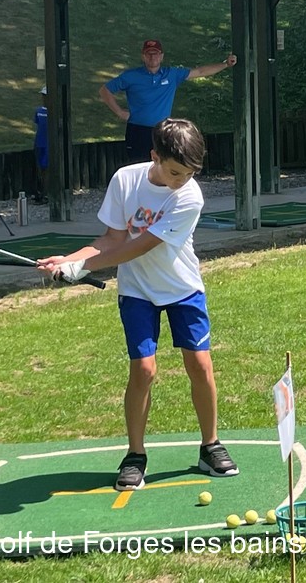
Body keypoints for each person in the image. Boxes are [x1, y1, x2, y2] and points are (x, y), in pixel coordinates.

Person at [36, 118, 239, 491]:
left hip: (183, 288)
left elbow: (140, 246)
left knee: (200, 365)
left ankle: (210, 445)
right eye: (175, 172)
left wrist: (83, 268)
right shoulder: (125, 180)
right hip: (137, 291)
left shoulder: (190, 196)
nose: (182, 180)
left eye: (190, 173)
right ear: (155, 156)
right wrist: (68, 260)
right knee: (143, 370)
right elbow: (112, 240)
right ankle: (135, 455)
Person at [99, 40, 237, 163]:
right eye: (149, 54)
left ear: (162, 56)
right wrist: (119, 112)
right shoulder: (131, 76)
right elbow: (105, 90)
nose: (152, 57)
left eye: (156, 53)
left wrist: (225, 64)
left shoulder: (171, 74)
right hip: (138, 130)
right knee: (138, 168)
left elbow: (200, 72)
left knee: (163, 166)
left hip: (163, 130)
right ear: (143, 56)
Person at [32, 86, 49, 204]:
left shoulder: (54, 111)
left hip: (49, 144)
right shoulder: (38, 111)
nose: (43, 98)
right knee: (39, 168)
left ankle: (45, 194)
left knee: (46, 169)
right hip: (39, 143)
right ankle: (39, 192)